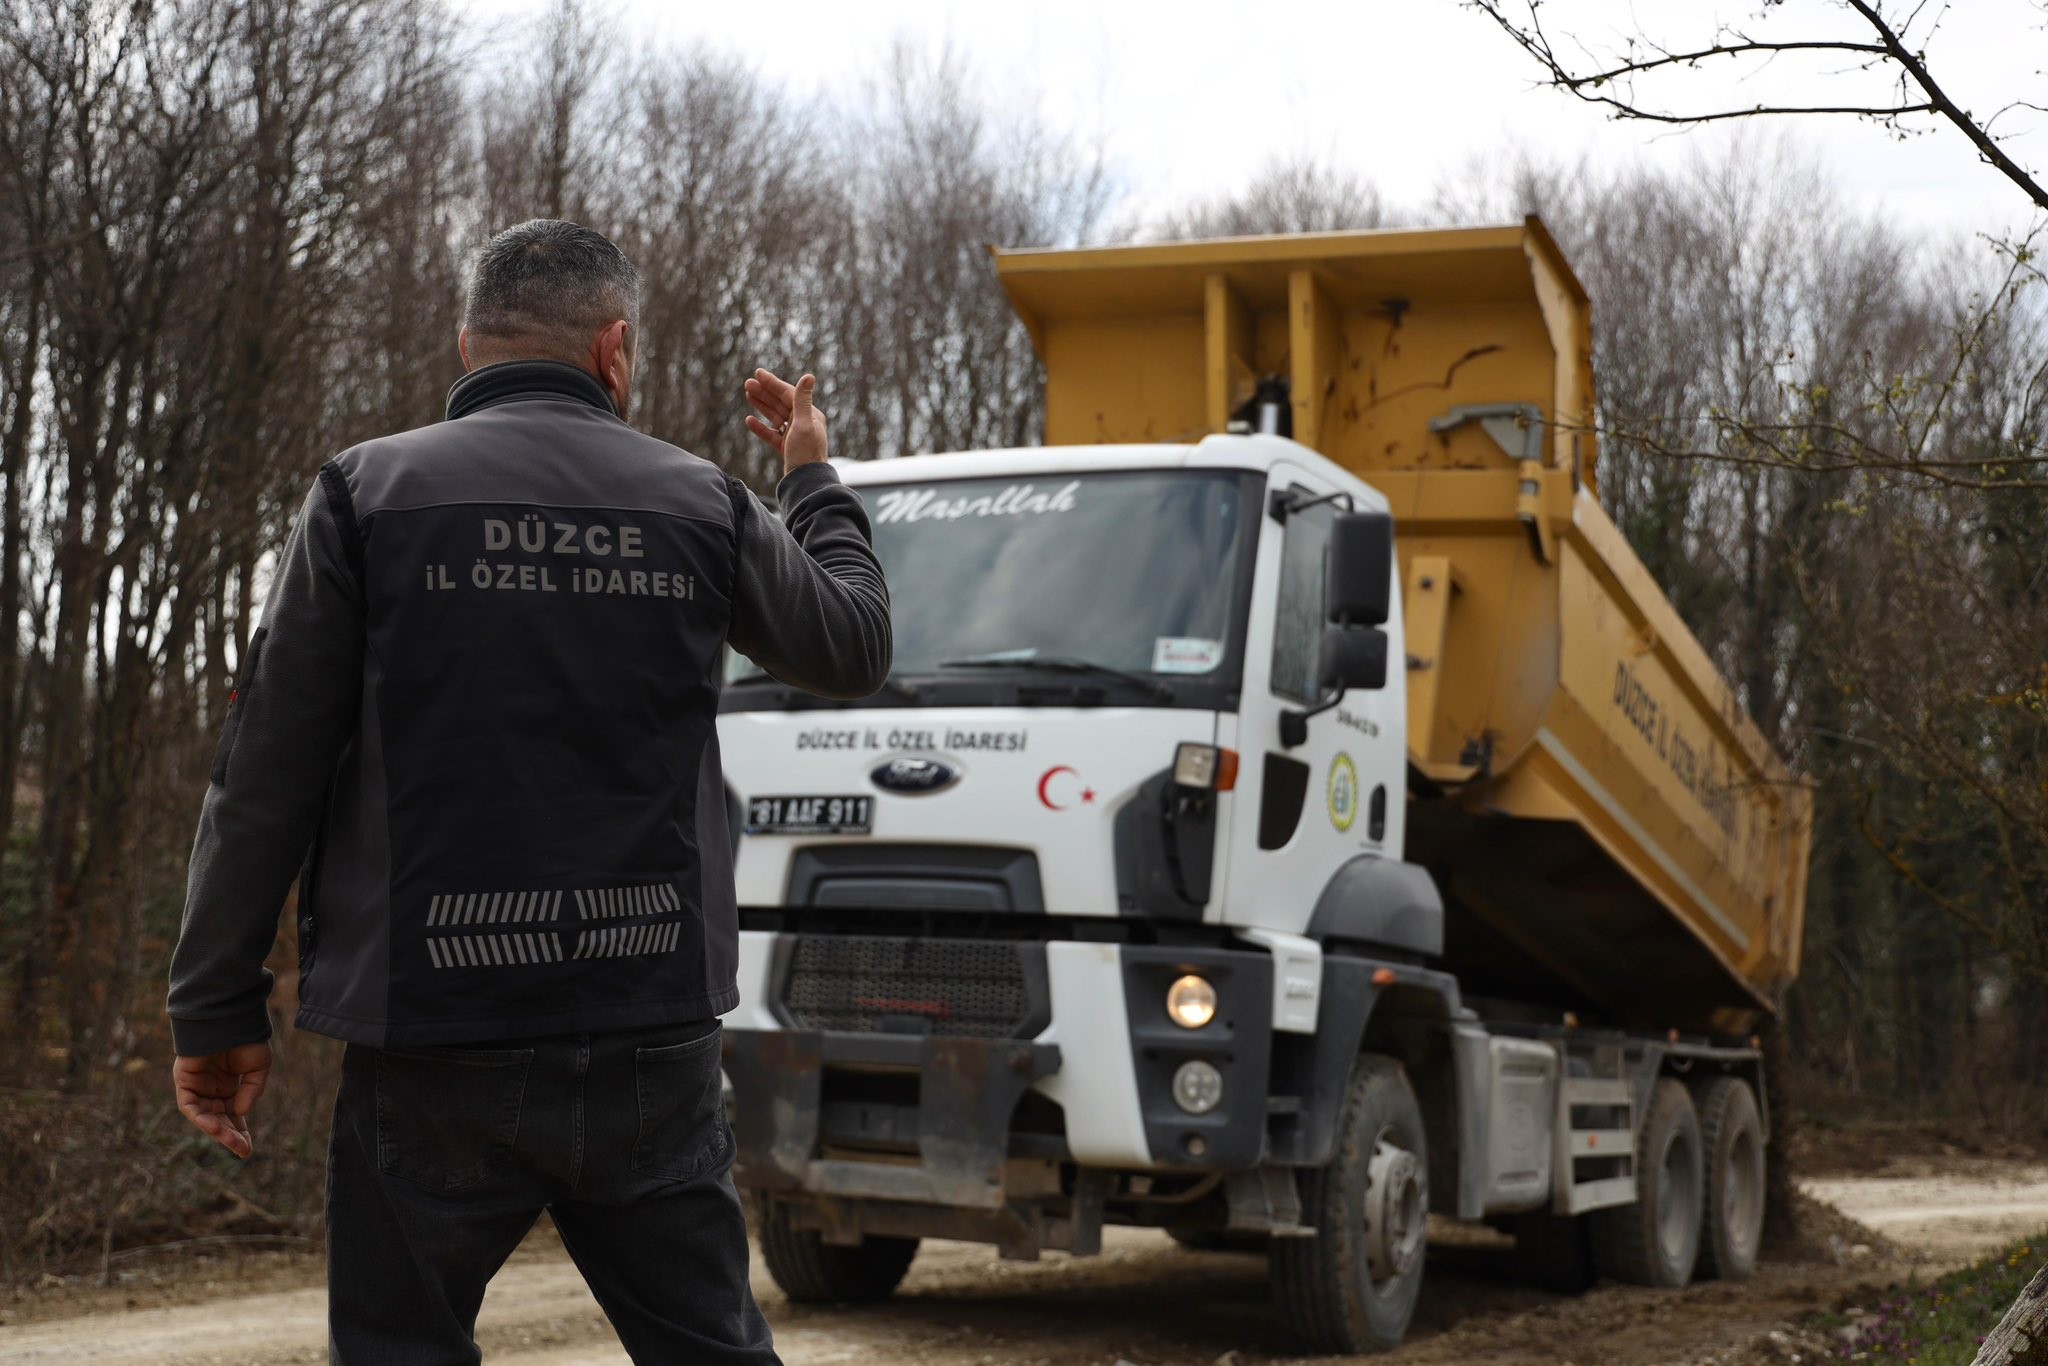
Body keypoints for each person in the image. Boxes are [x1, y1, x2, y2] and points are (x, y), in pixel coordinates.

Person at [165, 218, 889, 1364]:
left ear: (469, 345)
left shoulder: (366, 494)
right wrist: (808, 476)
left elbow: (264, 775)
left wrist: (215, 1008)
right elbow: (852, 644)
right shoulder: (703, 501)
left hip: (431, 1030)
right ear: (614, 350)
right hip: (647, 1028)